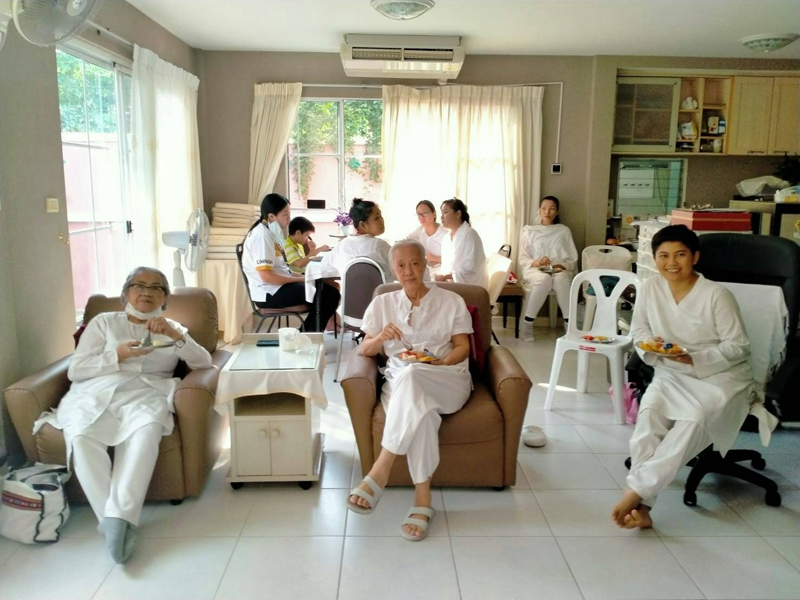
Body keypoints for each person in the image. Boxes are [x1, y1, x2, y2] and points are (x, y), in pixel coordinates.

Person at [32, 267, 212, 563]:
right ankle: (114, 521)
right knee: (82, 438)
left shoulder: (173, 328)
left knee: (146, 433)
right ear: (126, 292)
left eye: (156, 287)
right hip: (94, 393)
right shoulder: (104, 322)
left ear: (165, 297)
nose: (146, 292)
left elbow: (203, 362)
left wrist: (174, 335)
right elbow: (77, 369)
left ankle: (116, 522)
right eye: (139, 285)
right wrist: (117, 355)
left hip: (147, 393)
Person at [612, 224, 757, 530]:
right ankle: (644, 508)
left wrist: (694, 358)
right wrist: (649, 345)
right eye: (663, 255)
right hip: (671, 370)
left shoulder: (716, 294)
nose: (672, 262)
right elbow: (639, 330)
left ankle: (636, 492)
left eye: (680, 254)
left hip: (720, 376)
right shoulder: (649, 288)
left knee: (693, 419)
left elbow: (739, 346)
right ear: (655, 258)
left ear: (695, 257)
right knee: (648, 419)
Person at [347, 239, 473, 541]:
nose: (408, 271)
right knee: (422, 411)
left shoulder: (450, 301)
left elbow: (463, 347)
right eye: (401, 265)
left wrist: (442, 362)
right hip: (401, 381)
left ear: (425, 265)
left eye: (415, 263)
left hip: (447, 378)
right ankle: (423, 501)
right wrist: (380, 338)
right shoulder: (383, 303)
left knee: (417, 374)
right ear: (393, 269)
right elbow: (364, 349)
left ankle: (381, 468)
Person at [242, 193, 340, 332]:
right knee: (329, 294)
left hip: (276, 287)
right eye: (285, 214)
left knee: (329, 291)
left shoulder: (271, 233)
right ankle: (307, 335)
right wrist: (299, 279)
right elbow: (267, 277)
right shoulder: (262, 236)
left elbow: (281, 269)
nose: (289, 218)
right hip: (269, 292)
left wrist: (299, 277)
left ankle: (305, 334)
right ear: (271, 216)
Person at [518, 196, 578, 342]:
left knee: (561, 280)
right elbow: (523, 259)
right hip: (535, 270)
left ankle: (569, 326)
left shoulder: (563, 231)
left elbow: (572, 259)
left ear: (557, 212)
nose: (547, 212)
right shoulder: (529, 231)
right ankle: (527, 324)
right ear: (539, 210)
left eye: (551, 209)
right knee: (544, 279)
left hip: (559, 269)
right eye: (544, 208)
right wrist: (537, 262)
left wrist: (560, 265)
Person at [320, 198, 394, 282]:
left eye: (381, 216)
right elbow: (398, 271)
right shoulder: (381, 246)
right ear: (362, 225)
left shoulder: (341, 246)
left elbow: (324, 267)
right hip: (381, 290)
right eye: (377, 218)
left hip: (349, 291)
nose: (382, 220)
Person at [434, 198, 488, 289]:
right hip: (452, 284)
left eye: (445, 212)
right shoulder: (446, 238)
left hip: (471, 288)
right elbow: (446, 268)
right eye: (441, 213)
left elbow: (471, 271)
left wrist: (446, 276)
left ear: (458, 214)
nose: (441, 217)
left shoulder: (470, 235)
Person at [407, 200, 447, 269]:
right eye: (419, 214)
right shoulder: (419, 231)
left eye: (425, 213)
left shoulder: (445, 234)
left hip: (441, 271)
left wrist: (433, 258)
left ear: (434, 214)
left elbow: (453, 259)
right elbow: (405, 241)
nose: (421, 217)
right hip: (423, 271)